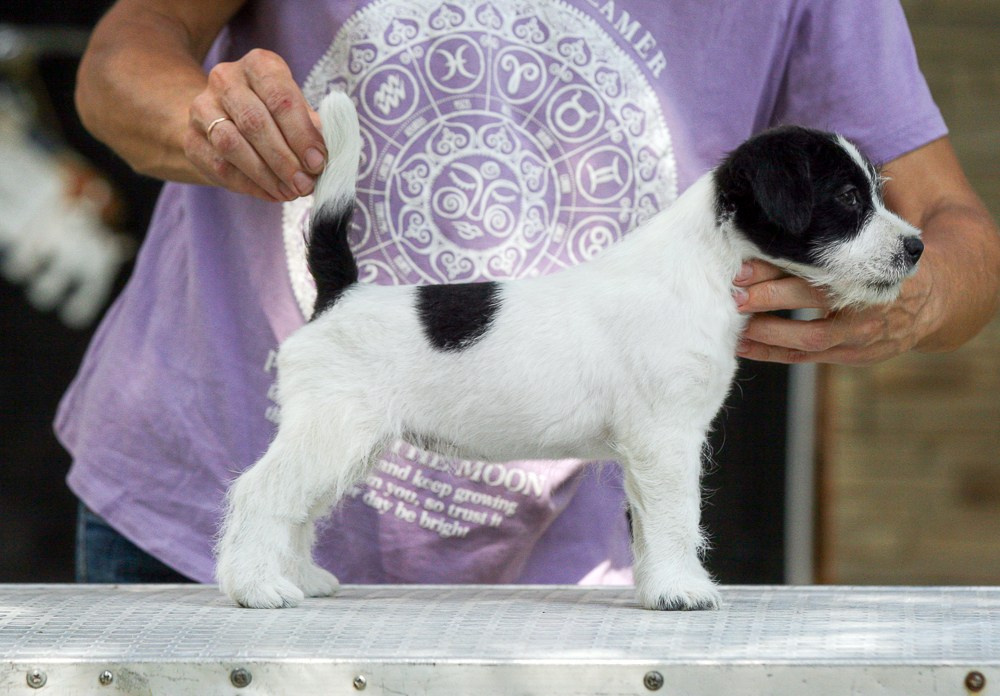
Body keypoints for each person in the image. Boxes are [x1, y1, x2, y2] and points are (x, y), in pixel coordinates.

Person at [64, 0, 1000, 585]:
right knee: (320, 452)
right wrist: (201, 122)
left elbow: (958, 234)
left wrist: (922, 292)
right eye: (849, 204)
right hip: (170, 512)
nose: (882, 226)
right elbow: (122, 50)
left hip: (551, 589)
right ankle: (256, 548)